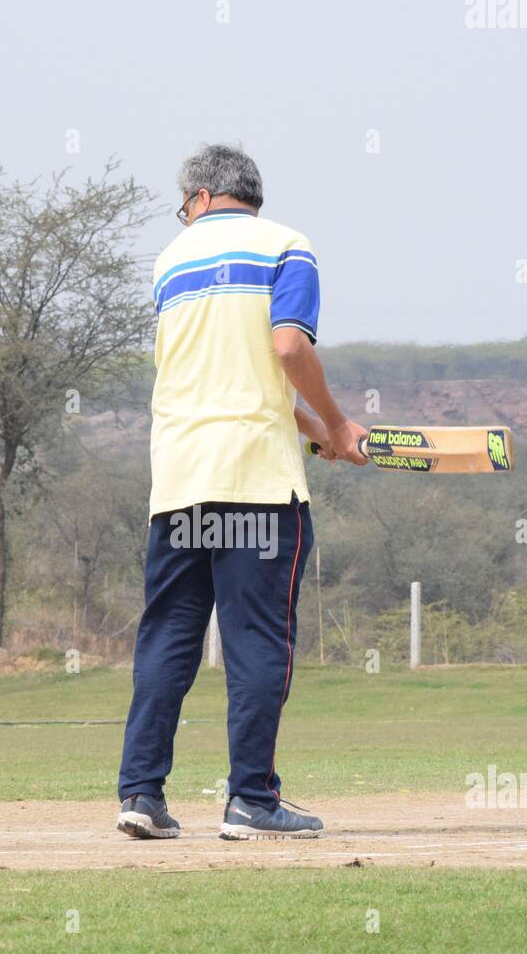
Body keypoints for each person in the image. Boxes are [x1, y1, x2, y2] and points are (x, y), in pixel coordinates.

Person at [117, 144, 366, 842]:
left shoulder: (170, 262)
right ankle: (251, 800)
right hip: (256, 482)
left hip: (178, 482)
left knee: (169, 637)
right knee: (257, 640)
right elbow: (286, 350)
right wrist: (342, 426)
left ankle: (141, 794)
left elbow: (223, 378)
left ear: (199, 197)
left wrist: (321, 432)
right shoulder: (288, 246)